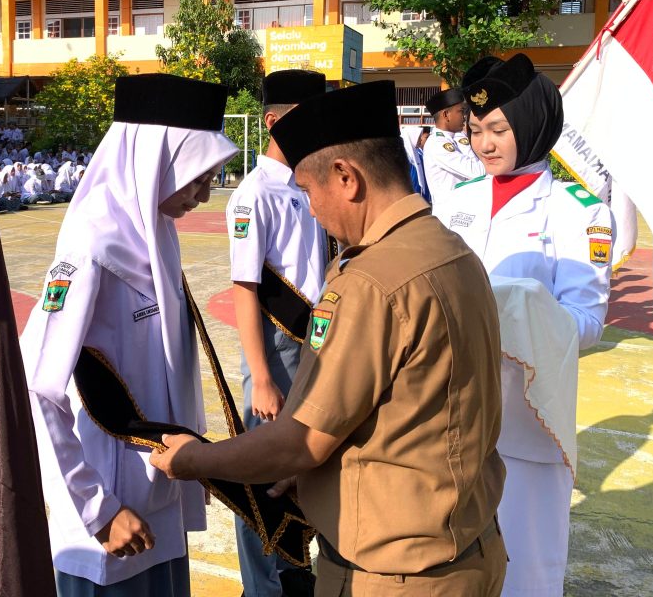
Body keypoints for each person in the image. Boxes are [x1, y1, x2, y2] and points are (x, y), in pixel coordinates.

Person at [151, 80, 507, 596]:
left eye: (309, 190)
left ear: (346, 178)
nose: (311, 208)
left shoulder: (371, 282)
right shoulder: (450, 250)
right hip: (470, 547)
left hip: (396, 575)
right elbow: (409, 411)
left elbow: (301, 440)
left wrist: (192, 460)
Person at [20, 73, 237, 596]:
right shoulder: (92, 248)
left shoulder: (155, 235)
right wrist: (97, 509)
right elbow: (38, 387)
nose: (204, 195)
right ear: (155, 162)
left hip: (159, 494)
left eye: (210, 178)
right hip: (112, 510)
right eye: (196, 178)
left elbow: (170, 367)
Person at [434, 53, 612, 597]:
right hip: (451, 416)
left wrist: (516, 311)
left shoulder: (579, 211)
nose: (484, 144)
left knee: (526, 573)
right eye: (476, 130)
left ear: (531, 125)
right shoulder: (454, 201)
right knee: (452, 567)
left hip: (528, 421)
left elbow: (588, 322)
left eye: (498, 129)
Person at [225, 69, 326, 597]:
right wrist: (260, 378)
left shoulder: (310, 186)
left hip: (316, 344)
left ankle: (292, 566)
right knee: (262, 468)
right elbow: (244, 287)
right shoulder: (254, 194)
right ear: (271, 121)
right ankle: (260, 586)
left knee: (304, 459)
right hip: (277, 343)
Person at [422, 87, 483, 207]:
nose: (464, 117)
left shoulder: (454, 139)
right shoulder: (437, 144)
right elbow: (477, 171)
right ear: (446, 115)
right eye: (461, 111)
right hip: (449, 211)